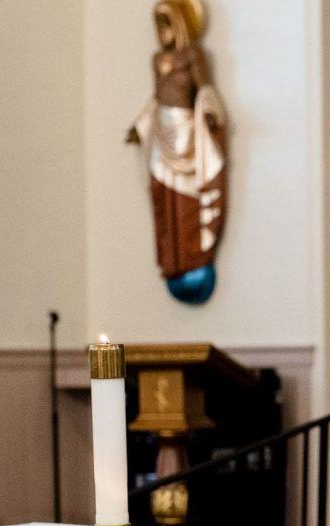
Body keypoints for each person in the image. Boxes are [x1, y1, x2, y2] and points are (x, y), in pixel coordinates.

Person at [126, 0, 226, 304]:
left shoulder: (193, 55)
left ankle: (193, 258)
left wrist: (209, 113)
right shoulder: (158, 60)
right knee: (162, 200)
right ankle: (172, 260)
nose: (161, 33)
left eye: (166, 25)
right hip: (161, 134)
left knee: (186, 203)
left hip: (187, 135)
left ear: (180, 25)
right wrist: (140, 127)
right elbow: (157, 99)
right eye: (157, 27)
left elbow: (205, 89)